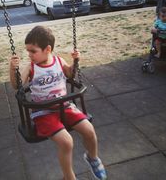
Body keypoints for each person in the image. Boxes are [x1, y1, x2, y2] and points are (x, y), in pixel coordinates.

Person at [10, 26, 107, 180]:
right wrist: (12, 68)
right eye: (28, 51)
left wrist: (75, 61)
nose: (29, 55)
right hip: (43, 113)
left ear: (47, 49)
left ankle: (93, 158)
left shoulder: (59, 61)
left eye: (33, 51)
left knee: (89, 129)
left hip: (65, 107)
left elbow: (69, 73)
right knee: (66, 142)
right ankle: (69, 177)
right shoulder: (31, 67)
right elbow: (17, 85)